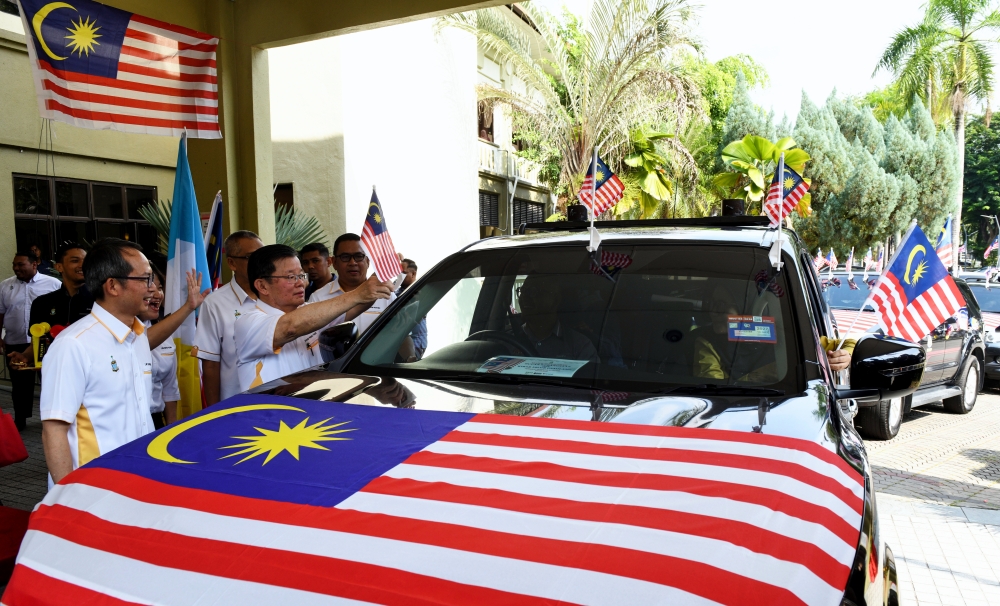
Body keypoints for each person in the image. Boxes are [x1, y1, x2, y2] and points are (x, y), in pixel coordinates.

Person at [40, 239, 156, 484]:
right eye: (145, 279)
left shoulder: (139, 336)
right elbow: (54, 429)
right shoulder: (74, 344)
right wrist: (67, 496)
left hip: (138, 479)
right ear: (113, 285)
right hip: (92, 489)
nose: (153, 288)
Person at [234, 244, 394, 390]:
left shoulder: (311, 313)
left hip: (310, 414)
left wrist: (378, 284)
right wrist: (359, 293)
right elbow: (290, 327)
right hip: (268, 416)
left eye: (301, 276)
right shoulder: (248, 323)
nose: (301, 283)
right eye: (291, 277)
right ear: (262, 286)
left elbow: (353, 308)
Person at [193, 230, 263, 406]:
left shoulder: (275, 295)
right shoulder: (215, 303)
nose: (261, 263)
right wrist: (214, 411)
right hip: (236, 403)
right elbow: (210, 365)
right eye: (251, 257)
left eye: (262, 256)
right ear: (232, 263)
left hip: (277, 398)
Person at [0, 250, 61, 430]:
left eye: (21, 264)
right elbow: (0, 313)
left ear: (34, 264)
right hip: (16, 341)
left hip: (46, 343)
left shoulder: (53, 284)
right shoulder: (5, 286)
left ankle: (51, 420)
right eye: (14, 265)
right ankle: (20, 420)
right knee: (19, 385)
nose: (16, 268)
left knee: (49, 381)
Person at [308, 233, 395, 333]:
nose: (353, 262)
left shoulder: (385, 294)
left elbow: (402, 336)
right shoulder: (317, 298)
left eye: (358, 256)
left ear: (367, 261)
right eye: (345, 257)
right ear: (334, 262)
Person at [514, 274, 598, 362]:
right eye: (522, 291)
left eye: (533, 291)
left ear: (556, 300)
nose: (524, 297)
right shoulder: (507, 340)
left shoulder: (580, 346)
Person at [141, 267, 179, 429]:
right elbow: (142, 343)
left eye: (161, 288)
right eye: (151, 287)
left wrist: (171, 428)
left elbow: (169, 388)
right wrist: (188, 308)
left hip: (156, 420)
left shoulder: (166, 334)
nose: (157, 294)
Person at [399, 258, 427, 359]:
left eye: (403, 273)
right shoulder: (399, 291)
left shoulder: (420, 291)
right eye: (398, 273)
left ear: (413, 274)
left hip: (416, 344)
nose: (399, 276)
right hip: (399, 344)